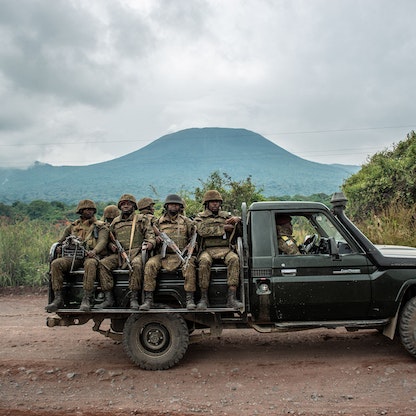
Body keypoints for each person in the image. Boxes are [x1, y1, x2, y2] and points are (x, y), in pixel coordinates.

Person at [45, 199, 109, 313]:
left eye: (91, 209)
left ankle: (87, 298)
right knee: (56, 264)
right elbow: (61, 240)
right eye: (86, 209)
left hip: (91, 257)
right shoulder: (73, 227)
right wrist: (60, 247)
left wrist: (94, 251)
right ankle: (58, 298)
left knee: (90, 263)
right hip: (73, 257)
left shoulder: (100, 226)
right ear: (80, 211)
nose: (89, 212)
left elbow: (102, 241)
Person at [140, 194, 197, 310]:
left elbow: (194, 238)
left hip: (182, 255)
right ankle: (148, 299)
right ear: (167, 206)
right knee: (150, 265)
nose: (174, 207)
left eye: (176, 205)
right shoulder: (158, 222)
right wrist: (157, 240)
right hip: (163, 255)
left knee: (190, 264)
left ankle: (189, 298)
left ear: (180, 207)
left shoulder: (186, 222)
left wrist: (191, 246)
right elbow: (150, 237)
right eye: (171, 204)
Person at [98, 194, 155, 309]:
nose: (125, 206)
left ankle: (134, 298)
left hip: (137, 252)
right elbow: (108, 238)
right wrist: (111, 245)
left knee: (136, 265)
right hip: (120, 254)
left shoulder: (141, 219)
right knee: (103, 264)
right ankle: (108, 297)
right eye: (123, 204)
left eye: (128, 204)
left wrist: (150, 243)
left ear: (134, 206)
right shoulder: (115, 222)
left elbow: (150, 235)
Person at [194, 190, 243, 310]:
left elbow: (240, 232)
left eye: (217, 202)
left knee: (234, 259)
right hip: (208, 249)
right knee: (204, 262)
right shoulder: (200, 217)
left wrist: (238, 221)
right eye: (212, 202)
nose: (215, 204)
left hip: (226, 249)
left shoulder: (227, 216)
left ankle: (232, 298)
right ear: (207, 203)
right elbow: (202, 231)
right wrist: (223, 228)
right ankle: (203, 298)